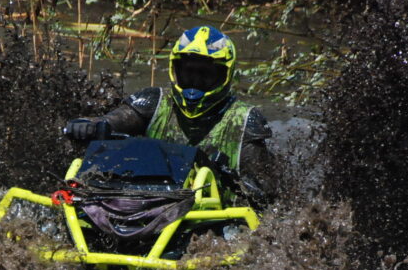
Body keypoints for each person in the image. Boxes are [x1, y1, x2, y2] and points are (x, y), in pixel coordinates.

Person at [64, 25, 278, 208]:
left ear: (225, 76)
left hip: (211, 215)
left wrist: (228, 177)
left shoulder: (245, 122)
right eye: (188, 73)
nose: (194, 83)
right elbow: (112, 121)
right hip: (147, 202)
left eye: (205, 75)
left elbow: (266, 192)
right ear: (175, 70)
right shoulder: (153, 101)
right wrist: (89, 125)